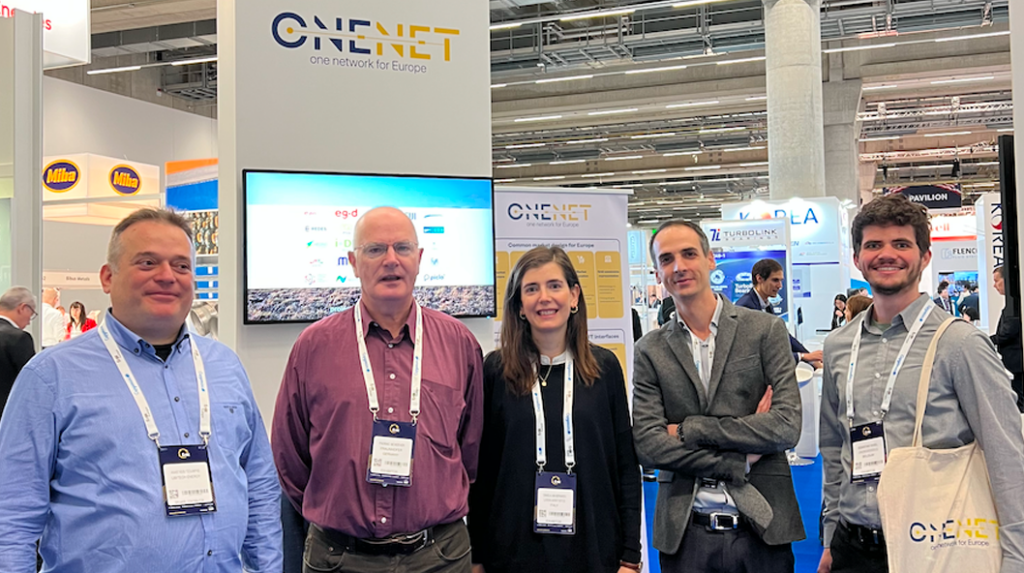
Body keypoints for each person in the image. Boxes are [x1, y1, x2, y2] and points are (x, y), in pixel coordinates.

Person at [0, 208, 283, 572]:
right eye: (147, 262)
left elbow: (259, 485)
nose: (167, 276)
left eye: (181, 265)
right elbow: (12, 513)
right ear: (108, 277)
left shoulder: (224, 366)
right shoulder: (50, 376)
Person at [818, 194, 1024, 573]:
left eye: (901, 244)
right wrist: (831, 537)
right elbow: (833, 447)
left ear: (925, 256)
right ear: (857, 259)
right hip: (853, 546)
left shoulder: (959, 343)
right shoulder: (839, 345)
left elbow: (1006, 453)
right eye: (874, 245)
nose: (886, 254)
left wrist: (1016, 557)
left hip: (936, 546)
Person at [273, 206, 484, 573]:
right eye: (375, 249)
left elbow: (471, 450)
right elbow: (290, 457)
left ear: (419, 259)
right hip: (340, 558)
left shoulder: (459, 344)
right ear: (354, 263)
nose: (391, 260)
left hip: (439, 558)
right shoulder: (313, 347)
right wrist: (336, 507)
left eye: (402, 248)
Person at [632, 220, 805, 573]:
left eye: (689, 254)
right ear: (658, 273)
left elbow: (786, 427)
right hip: (685, 534)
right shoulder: (649, 349)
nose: (679, 267)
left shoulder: (765, 331)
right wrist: (738, 460)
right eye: (667, 259)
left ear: (710, 260)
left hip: (762, 528)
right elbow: (649, 445)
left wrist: (691, 429)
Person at [468, 246, 641, 573]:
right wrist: (476, 556)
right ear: (519, 305)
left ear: (574, 296)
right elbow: (483, 470)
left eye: (554, 286)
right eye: (531, 289)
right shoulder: (496, 371)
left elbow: (625, 466)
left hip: (594, 547)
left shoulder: (604, 368)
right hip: (511, 550)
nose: (544, 297)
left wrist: (630, 556)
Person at [735, 258, 824, 369]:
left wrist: (812, 359)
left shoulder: (766, 304)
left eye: (781, 280)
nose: (780, 286)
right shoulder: (745, 307)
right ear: (759, 279)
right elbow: (758, 352)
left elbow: (783, 336)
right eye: (775, 280)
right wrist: (802, 356)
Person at [990, 266, 1023, 412]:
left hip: (1017, 363)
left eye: (997, 281)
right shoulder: (1011, 305)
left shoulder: (1015, 306)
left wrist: (988, 340)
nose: (994, 285)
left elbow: (1007, 332)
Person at [0, 287, 36, 415]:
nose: (29, 322)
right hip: (6, 413)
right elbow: (31, 381)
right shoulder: (18, 338)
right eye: (31, 314)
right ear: (23, 308)